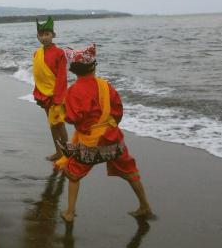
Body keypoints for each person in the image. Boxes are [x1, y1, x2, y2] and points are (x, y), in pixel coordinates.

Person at [54, 44, 152, 222]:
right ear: (93, 66)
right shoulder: (106, 86)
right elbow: (118, 111)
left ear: (74, 70)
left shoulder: (74, 91)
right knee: (130, 171)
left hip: (89, 143)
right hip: (113, 139)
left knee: (74, 173)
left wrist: (62, 110)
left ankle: (69, 213)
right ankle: (144, 205)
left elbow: (72, 118)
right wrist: (109, 125)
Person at [33, 16, 69, 161]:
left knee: (59, 124)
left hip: (56, 95)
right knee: (52, 124)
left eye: (47, 34)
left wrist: (58, 97)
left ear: (53, 35)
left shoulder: (60, 53)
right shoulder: (37, 53)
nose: (44, 37)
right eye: (41, 35)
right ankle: (58, 151)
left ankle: (67, 153)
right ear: (37, 37)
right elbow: (38, 74)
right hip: (43, 94)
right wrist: (38, 92)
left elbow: (62, 77)